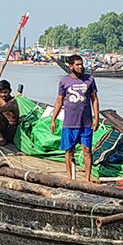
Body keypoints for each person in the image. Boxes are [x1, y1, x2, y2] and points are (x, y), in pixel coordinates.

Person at [49, 54, 100, 183]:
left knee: (87, 150)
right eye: (77, 65)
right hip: (69, 123)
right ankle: (69, 177)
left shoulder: (89, 79)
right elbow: (59, 100)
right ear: (70, 66)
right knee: (69, 150)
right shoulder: (64, 81)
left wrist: (96, 118)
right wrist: (53, 119)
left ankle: (87, 179)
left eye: (81, 64)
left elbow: (94, 99)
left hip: (86, 122)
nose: (80, 67)